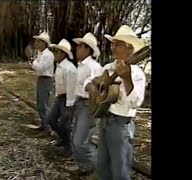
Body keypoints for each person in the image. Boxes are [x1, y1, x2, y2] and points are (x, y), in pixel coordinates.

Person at [84, 25, 146, 180]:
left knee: (120, 170)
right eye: (113, 44)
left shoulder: (137, 73)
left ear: (130, 50)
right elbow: (89, 80)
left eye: (118, 44)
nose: (113, 47)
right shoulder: (108, 68)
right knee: (103, 165)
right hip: (104, 118)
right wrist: (91, 87)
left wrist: (126, 79)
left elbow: (136, 102)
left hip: (121, 126)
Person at [70, 32, 102, 176]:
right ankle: (85, 166)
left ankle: (95, 165)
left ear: (88, 49)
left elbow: (96, 90)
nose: (77, 49)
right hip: (80, 103)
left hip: (88, 105)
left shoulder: (93, 66)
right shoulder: (81, 66)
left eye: (80, 46)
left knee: (80, 141)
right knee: (76, 138)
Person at [47, 39, 77, 154]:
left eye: (57, 52)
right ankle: (63, 139)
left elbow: (71, 87)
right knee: (51, 119)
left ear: (63, 54)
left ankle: (68, 146)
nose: (54, 54)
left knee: (65, 124)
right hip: (60, 97)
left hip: (67, 98)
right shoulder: (59, 66)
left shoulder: (69, 69)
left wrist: (70, 105)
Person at [25, 32, 54, 133]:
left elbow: (40, 68)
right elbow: (35, 67)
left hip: (46, 79)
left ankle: (47, 127)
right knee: (40, 103)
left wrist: (31, 59)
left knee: (44, 103)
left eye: (38, 41)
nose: (36, 43)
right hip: (42, 79)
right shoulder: (41, 54)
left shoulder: (47, 55)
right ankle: (44, 124)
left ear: (44, 43)